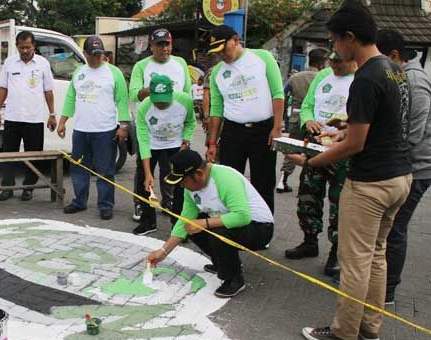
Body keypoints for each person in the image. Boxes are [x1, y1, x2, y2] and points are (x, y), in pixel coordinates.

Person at [287, 0, 412, 340]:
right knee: (376, 255)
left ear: (350, 38)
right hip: (400, 177)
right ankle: (370, 327)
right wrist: (344, 133)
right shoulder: (393, 69)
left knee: (353, 261)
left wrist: (310, 161)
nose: (334, 50)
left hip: (370, 183)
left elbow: (356, 144)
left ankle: (344, 332)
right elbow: (379, 127)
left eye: (335, 42)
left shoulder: (365, 77)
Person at [147, 149, 274, 298]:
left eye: (183, 181)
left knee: (215, 233)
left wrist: (204, 223)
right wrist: (163, 252)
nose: (181, 186)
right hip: (229, 223)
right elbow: (184, 221)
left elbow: (242, 217)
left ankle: (234, 279)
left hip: (259, 228)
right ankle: (223, 263)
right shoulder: (191, 188)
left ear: (199, 174)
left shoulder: (225, 178)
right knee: (190, 226)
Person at [285, 52, 357, 278]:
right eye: (332, 60)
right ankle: (309, 240)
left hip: (342, 151)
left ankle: (336, 251)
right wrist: (308, 120)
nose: (334, 65)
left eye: (339, 61)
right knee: (308, 195)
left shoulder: (361, 79)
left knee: (339, 203)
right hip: (316, 145)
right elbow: (307, 105)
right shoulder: (323, 75)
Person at [376, 30, 431, 305]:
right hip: (404, 164)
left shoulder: (413, 79)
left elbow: (413, 134)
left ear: (394, 56)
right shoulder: (402, 75)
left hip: (416, 167)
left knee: (395, 227)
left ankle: (387, 291)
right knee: (389, 226)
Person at [207, 25, 284, 214]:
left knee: (263, 181)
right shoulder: (217, 72)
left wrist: (277, 127)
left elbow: (277, 94)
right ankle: (233, 221)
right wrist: (212, 142)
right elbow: (217, 109)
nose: (222, 55)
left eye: (224, 49)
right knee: (231, 180)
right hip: (233, 131)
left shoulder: (262, 58)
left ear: (235, 39)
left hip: (263, 130)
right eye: (218, 52)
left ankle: (263, 224)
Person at [57, 36, 130, 220]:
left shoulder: (114, 73)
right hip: (81, 130)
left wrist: (123, 126)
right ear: (85, 54)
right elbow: (70, 98)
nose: (98, 58)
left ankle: (105, 205)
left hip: (105, 130)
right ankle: (79, 201)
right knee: (79, 167)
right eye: (94, 55)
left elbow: (122, 100)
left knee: (105, 170)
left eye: (101, 54)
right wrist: (63, 121)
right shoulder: (79, 72)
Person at [129, 28, 192, 219]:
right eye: (160, 44)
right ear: (151, 46)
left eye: (168, 44)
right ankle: (141, 203)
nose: (164, 48)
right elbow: (133, 94)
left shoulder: (180, 63)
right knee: (144, 168)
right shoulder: (141, 66)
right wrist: (154, 90)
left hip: (174, 127)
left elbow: (187, 92)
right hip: (150, 126)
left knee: (172, 168)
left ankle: (169, 201)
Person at [0, 31, 56, 202]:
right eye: (21, 47)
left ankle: (28, 188)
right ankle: (8, 188)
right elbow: (3, 88)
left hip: (34, 119)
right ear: (17, 46)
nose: (25, 51)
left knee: (34, 156)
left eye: (28, 47)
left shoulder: (43, 64)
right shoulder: (9, 63)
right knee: (8, 155)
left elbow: (48, 90)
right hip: (12, 117)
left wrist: (52, 114)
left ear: (34, 46)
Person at [134, 74, 196, 235]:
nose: (161, 104)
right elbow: (143, 142)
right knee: (143, 182)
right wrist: (148, 174)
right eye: (157, 100)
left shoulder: (184, 101)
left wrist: (186, 141)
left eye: (164, 100)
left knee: (182, 184)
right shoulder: (143, 108)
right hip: (152, 144)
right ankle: (148, 221)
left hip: (176, 145)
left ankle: (178, 224)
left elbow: (190, 122)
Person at [277, 48, 329, 193]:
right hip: (317, 122)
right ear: (322, 64)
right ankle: (309, 183)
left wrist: (283, 118)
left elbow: (283, 95)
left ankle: (282, 179)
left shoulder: (295, 77)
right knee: (313, 151)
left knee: (293, 149)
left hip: (295, 118)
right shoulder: (325, 78)